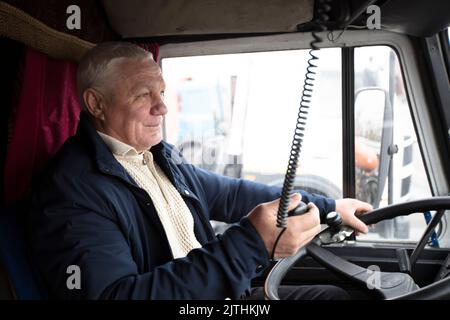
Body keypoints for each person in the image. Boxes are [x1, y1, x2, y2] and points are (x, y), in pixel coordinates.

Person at [29, 42, 372, 300]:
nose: (162, 106)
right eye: (143, 95)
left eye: (161, 91)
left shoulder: (158, 156)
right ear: (96, 104)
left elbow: (232, 194)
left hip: (226, 294)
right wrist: (250, 244)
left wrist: (328, 206)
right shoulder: (70, 190)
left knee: (347, 296)